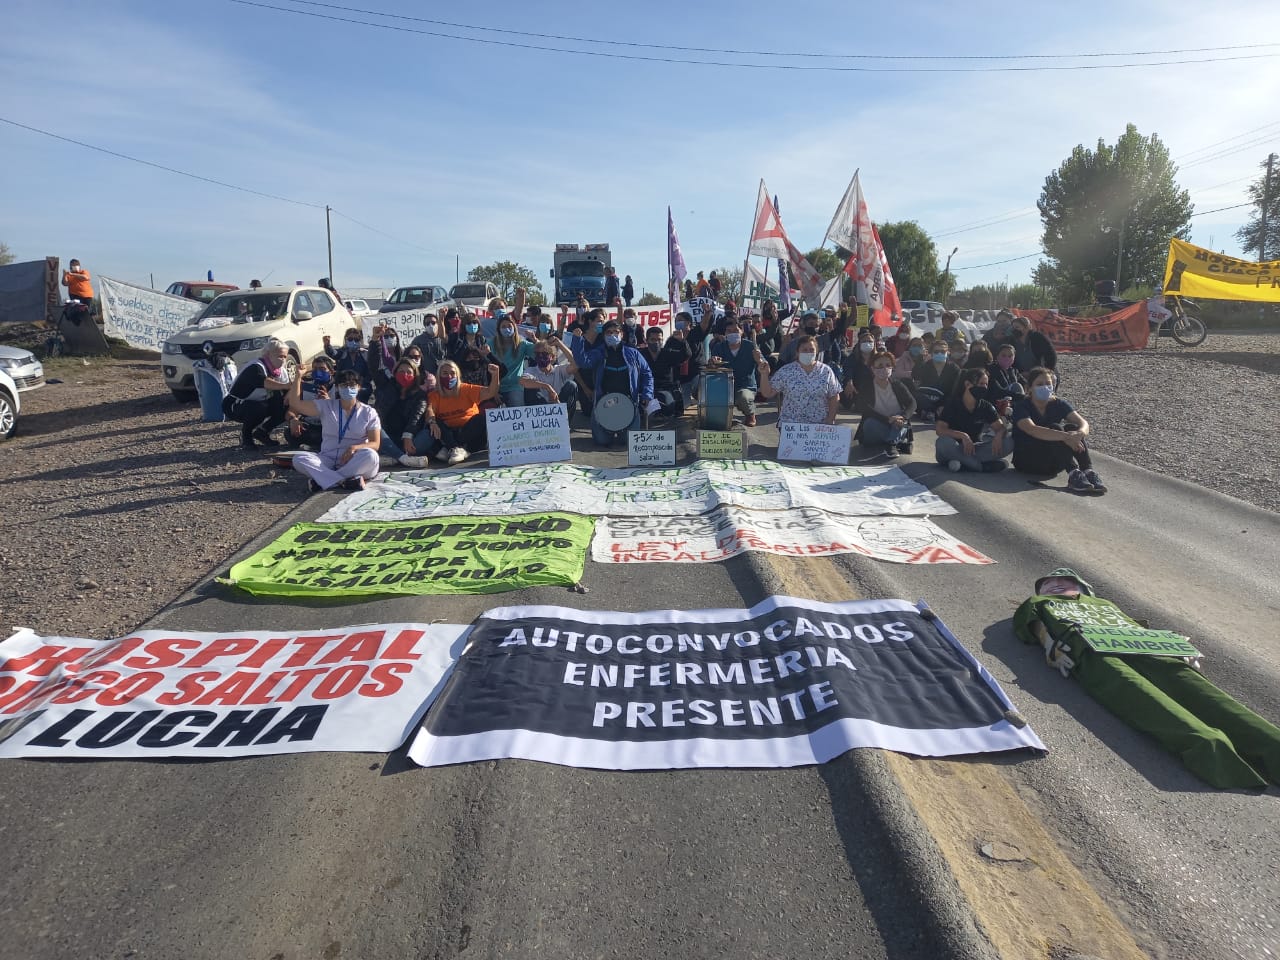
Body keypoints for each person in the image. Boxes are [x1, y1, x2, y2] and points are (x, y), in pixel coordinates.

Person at [1014, 568, 1280, 789]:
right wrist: (1050, 645)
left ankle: (1272, 745)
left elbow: (1134, 625)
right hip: (1089, 648)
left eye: (1065, 581)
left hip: (1142, 645)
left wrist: (1176, 645)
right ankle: (1210, 748)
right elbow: (1034, 625)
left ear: (1083, 588)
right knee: (1142, 696)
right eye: (1048, 584)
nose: (1055, 585)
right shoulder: (1037, 603)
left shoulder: (1104, 604)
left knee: (1203, 693)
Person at [1011, 367, 1105, 493]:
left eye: (1048, 384)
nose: (1045, 387)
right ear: (1029, 388)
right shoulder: (1022, 407)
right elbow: (1031, 429)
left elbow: (1083, 423)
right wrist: (1066, 437)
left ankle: (1087, 470)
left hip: (1053, 463)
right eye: (1039, 384)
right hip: (1028, 461)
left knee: (1072, 428)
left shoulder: (1058, 404)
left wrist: (1079, 433)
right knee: (1056, 428)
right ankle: (1073, 473)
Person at [287, 368, 381, 492]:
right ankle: (343, 481)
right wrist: (298, 377)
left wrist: (355, 448)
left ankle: (324, 480)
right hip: (328, 459)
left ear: (359, 387)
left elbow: (375, 443)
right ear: (337, 388)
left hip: (355, 459)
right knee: (299, 459)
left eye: (352, 385)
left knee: (371, 456)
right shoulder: (326, 406)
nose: (348, 388)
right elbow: (295, 404)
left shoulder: (368, 412)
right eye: (343, 385)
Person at [572, 314, 656, 447]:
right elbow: (583, 362)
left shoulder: (633, 353)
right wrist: (577, 341)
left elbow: (647, 374)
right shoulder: (598, 353)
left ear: (622, 334)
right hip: (603, 403)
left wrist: (647, 394)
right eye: (609, 333)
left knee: (629, 443)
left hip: (630, 402)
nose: (612, 335)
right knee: (602, 441)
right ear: (604, 335)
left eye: (616, 332)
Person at [424, 359, 501, 465]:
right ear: (439, 376)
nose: (449, 377)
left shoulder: (466, 389)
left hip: (470, 433)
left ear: (457, 375)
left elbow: (490, 392)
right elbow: (429, 410)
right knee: (433, 421)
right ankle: (455, 448)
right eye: (445, 373)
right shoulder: (434, 395)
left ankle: (451, 449)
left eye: (452, 373)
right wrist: (432, 422)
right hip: (450, 433)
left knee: (481, 418)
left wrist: (495, 375)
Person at [935, 368, 1010, 472]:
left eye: (986, 384)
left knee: (1010, 440)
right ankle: (980, 467)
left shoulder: (986, 406)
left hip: (974, 449)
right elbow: (940, 429)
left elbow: (1001, 427)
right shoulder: (953, 403)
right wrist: (963, 436)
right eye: (981, 384)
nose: (984, 387)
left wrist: (999, 434)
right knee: (942, 442)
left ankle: (963, 464)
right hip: (953, 448)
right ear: (967, 384)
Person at [756, 335, 841, 426]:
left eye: (811, 350)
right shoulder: (786, 371)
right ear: (797, 352)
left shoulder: (826, 371)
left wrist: (830, 419)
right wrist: (764, 375)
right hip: (791, 426)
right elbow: (768, 393)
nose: (808, 352)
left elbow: (834, 396)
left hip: (818, 426)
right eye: (804, 350)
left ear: (817, 352)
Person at [223, 338, 292, 450]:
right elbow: (265, 382)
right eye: (280, 356)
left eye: (285, 357)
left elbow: (287, 389)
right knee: (257, 407)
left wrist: (290, 393)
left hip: (260, 400)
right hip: (235, 404)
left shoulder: (280, 371)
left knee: (286, 405)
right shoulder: (256, 366)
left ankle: (262, 432)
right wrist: (286, 386)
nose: (283, 360)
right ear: (268, 355)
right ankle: (246, 437)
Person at [854, 350, 916, 458]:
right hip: (878, 425)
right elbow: (863, 407)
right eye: (880, 365)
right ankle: (897, 442)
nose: (884, 368)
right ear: (872, 368)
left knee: (901, 423)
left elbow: (912, 403)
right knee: (869, 424)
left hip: (896, 424)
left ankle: (891, 443)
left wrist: (902, 416)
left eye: (888, 365)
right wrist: (887, 419)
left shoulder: (897, 385)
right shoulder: (867, 386)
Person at [375, 358, 433, 468]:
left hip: (410, 438)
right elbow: (374, 366)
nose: (405, 374)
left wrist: (408, 436)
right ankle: (404, 458)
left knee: (428, 434)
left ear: (415, 375)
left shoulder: (420, 395)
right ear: (395, 373)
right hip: (388, 437)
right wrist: (375, 342)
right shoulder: (387, 388)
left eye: (409, 372)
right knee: (375, 428)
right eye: (401, 371)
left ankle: (393, 457)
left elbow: (416, 417)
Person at [708, 319, 762, 426]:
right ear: (725, 334)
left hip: (745, 385)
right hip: (724, 385)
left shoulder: (751, 346)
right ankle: (722, 417)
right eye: (729, 331)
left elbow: (764, 366)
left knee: (743, 397)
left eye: (736, 330)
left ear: (742, 332)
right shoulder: (719, 347)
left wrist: (758, 360)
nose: (733, 333)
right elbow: (711, 366)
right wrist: (712, 363)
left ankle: (750, 414)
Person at [639, 324, 691, 417]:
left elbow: (686, 355)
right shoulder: (640, 354)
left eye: (659, 340)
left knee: (667, 405)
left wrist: (682, 340)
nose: (656, 342)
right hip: (645, 390)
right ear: (646, 340)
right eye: (653, 340)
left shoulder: (668, 353)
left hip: (664, 389)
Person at [284, 355, 335, 451]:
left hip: (329, 426)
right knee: (289, 432)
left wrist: (328, 402)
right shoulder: (306, 388)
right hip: (310, 425)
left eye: (322, 369)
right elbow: (291, 411)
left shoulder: (338, 389)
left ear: (331, 372)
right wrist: (293, 419)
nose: (318, 372)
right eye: (315, 369)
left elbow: (346, 414)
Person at [519, 338, 579, 412]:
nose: (540, 356)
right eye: (538, 354)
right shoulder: (531, 370)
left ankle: (565, 420)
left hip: (558, 406)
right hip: (539, 411)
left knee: (571, 385)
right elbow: (523, 381)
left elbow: (575, 365)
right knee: (530, 389)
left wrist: (560, 344)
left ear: (552, 357)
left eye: (544, 354)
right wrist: (547, 387)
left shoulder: (559, 370)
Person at [491, 309, 537, 407]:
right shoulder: (491, 344)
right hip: (494, 387)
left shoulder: (522, 343)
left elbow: (541, 352)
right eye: (503, 326)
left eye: (509, 326)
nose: (506, 329)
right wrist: (493, 391)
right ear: (498, 329)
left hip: (515, 387)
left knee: (517, 409)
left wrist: (535, 340)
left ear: (514, 327)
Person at [911, 341, 961, 421]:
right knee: (914, 395)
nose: (940, 353)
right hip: (928, 398)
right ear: (931, 353)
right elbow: (915, 375)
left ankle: (930, 413)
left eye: (943, 351)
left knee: (956, 399)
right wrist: (920, 359)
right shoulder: (926, 365)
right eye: (936, 351)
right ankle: (935, 412)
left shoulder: (954, 368)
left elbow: (955, 389)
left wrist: (943, 405)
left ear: (947, 352)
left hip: (945, 398)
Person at [325, 327, 374, 402]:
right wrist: (327, 345)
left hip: (361, 388)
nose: (353, 342)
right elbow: (333, 353)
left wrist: (361, 383)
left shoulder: (364, 353)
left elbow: (370, 371)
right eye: (350, 339)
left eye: (356, 340)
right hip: (344, 386)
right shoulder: (342, 352)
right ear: (346, 339)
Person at [367, 322, 402, 402]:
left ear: (396, 337)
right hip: (384, 395)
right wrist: (375, 339)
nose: (389, 338)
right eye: (385, 336)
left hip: (401, 394)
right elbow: (372, 360)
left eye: (392, 336)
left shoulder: (403, 355)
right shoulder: (378, 355)